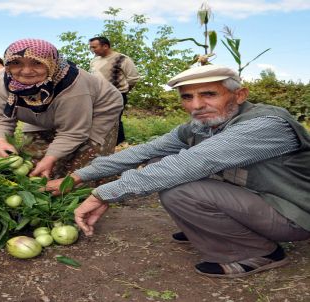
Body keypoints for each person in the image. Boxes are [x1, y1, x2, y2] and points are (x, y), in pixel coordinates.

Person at [46, 64, 310, 278]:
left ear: (239, 95)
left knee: (180, 187)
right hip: (257, 201)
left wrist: (103, 194)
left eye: (209, 94)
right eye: (187, 97)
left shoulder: (265, 125)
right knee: (158, 159)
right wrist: (78, 176)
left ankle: (259, 252)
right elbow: (144, 151)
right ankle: (214, 229)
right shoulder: (202, 125)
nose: (196, 106)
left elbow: (193, 163)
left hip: (293, 213)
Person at [0, 38, 123, 179]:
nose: (26, 71)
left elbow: (73, 132)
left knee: (83, 167)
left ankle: (100, 192)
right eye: (16, 63)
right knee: (33, 162)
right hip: (41, 114)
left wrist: (50, 158)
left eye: (37, 63)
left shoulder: (72, 86)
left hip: (98, 110)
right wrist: (1, 142)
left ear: (51, 63)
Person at [89, 37, 139, 145]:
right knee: (97, 120)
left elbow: (133, 78)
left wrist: (123, 92)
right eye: (90, 47)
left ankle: (118, 144)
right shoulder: (94, 61)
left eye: (94, 47)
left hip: (117, 95)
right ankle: (100, 144)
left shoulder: (122, 59)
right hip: (98, 96)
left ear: (105, 46)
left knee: (114, 120)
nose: (92, 50)